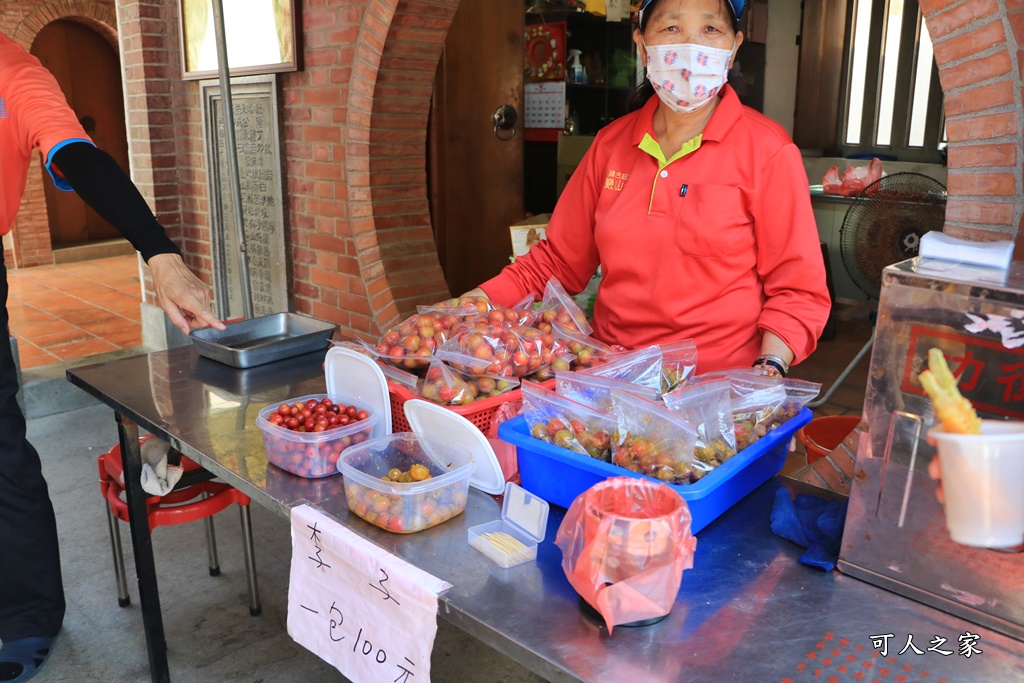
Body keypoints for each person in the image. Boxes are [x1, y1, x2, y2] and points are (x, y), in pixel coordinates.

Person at [0, 33, 224, 683]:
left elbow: (79, 155)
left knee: (1, 454)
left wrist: (161, 254)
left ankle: (27, 615)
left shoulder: (15, 71)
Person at [469, 0, 830, 378]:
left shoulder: (768, 152)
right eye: (671, 28)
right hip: (611, 375)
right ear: (642, 45)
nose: (691, 46)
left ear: (734, 47)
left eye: (710, 29)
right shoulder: (610, 145)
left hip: (715, 388)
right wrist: (470, 304)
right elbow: (557, 262)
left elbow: (797, 289)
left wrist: (768, 367)